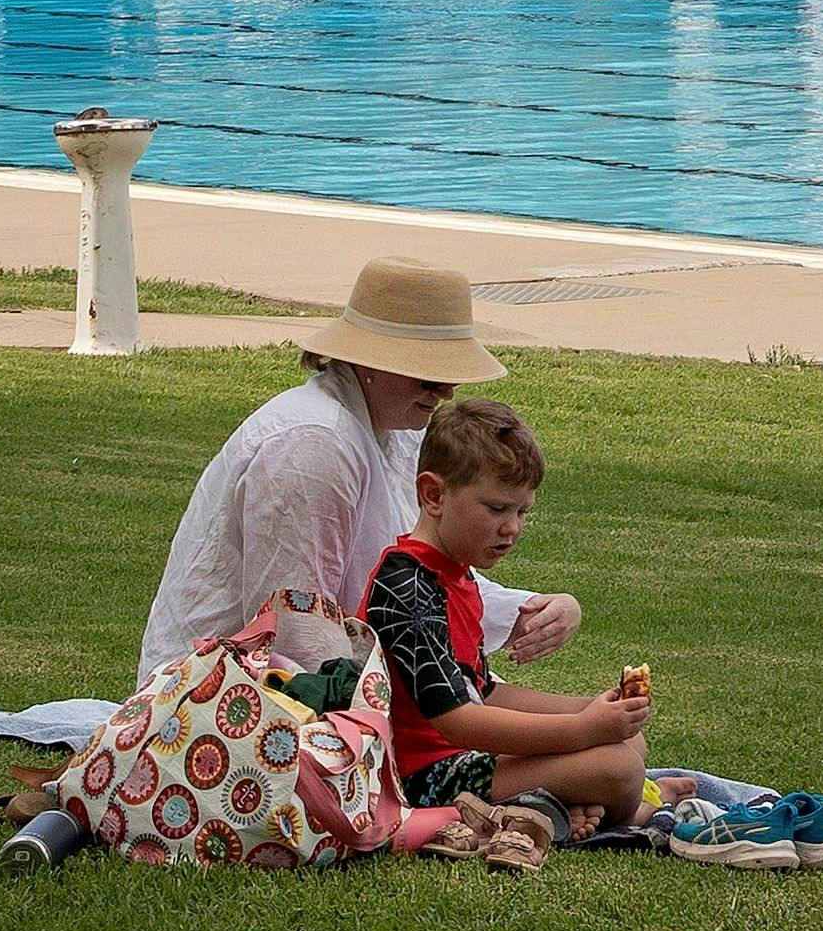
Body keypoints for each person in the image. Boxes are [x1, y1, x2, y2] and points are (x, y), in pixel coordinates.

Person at [128, 258, 584, 694]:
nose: (445, 392)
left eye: (450, 377)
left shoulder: (395, 424)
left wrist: (533, 610)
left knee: (577, 743)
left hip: (331, 678)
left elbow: (423, 571)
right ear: (372, 361)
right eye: (430, 377)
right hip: (224, 703)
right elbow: (295, 630)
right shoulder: (312, 446)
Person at [365, 398, 652, 838]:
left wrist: (591, 710)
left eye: (522, 512)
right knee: (617, 768)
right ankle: (613, 815)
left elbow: (482, 690)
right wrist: (579, 729)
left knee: (626, 741)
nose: (512, 527)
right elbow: (456, 719)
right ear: (434, 495)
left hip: (468, 759)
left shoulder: (457, 576)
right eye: (497, 509)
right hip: (425, 779)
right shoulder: (407, 584)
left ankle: (556, 809)